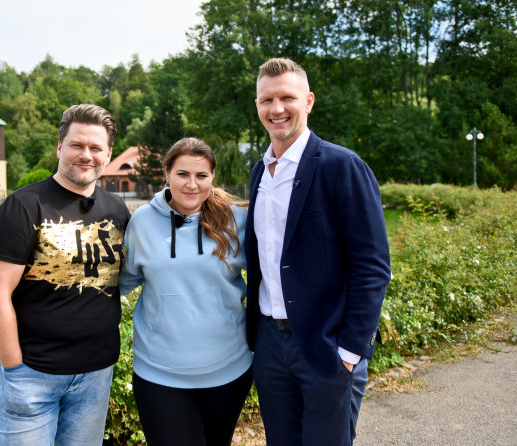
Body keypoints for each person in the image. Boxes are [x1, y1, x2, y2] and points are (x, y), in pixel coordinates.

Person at [244, 57, 391, 445]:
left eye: (287, 98)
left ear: (308, 101)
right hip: (271, 346)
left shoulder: (342, 166)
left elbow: (372, 266)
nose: (276, 109)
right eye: (266, 100)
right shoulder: (260, 172)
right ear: (257, 105)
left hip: (326, 346)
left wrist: (348, 351)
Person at [0, 104, 130, 445]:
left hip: (96, 373)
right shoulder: (24, 205)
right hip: (33, 374)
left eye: (95, 148)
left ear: (108, 154)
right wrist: (13, 367)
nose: (86, 155)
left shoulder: (117, 209)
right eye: (77, 145)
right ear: (60, 147)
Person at [119, 137, 253, 446]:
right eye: (182, 174)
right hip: (159, 374)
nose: (192, 184)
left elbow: (271, 277)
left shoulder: (236, 222)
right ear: (166, 173)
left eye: (201, 175)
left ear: (212, 178)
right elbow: (121, 285)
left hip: (228, 369)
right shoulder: (141, 223)